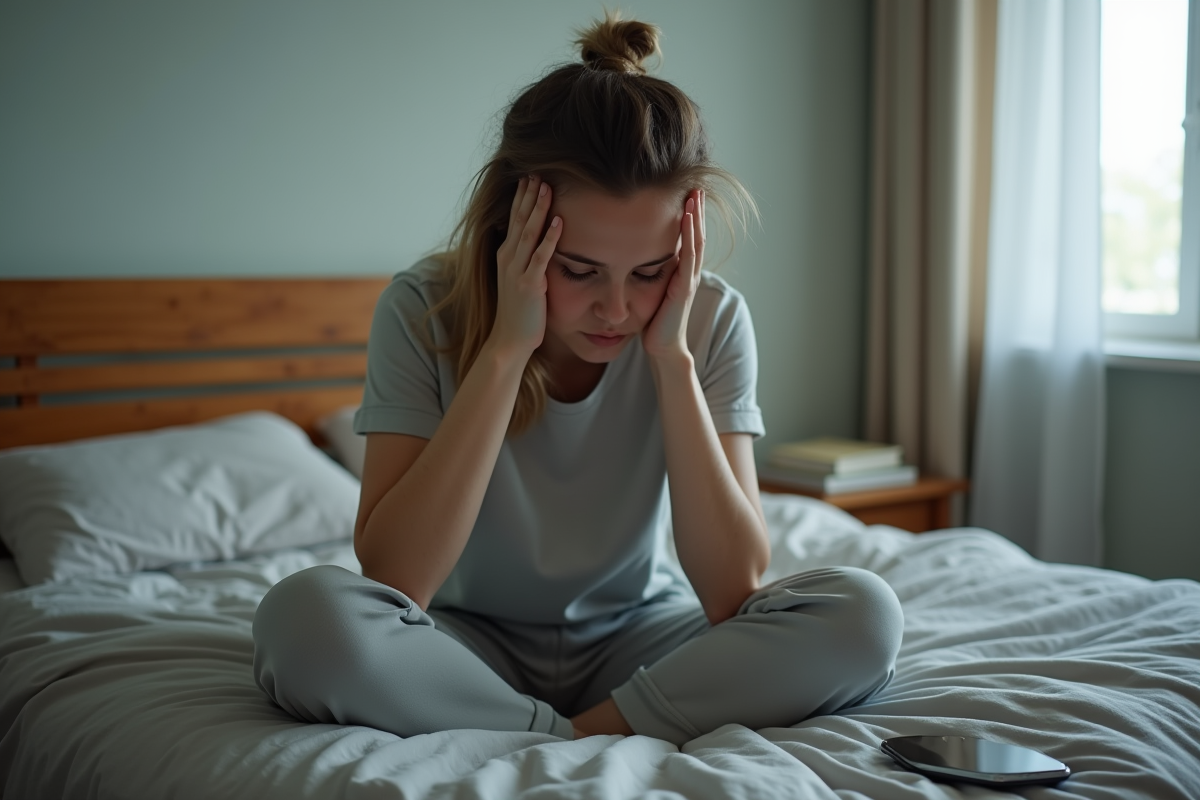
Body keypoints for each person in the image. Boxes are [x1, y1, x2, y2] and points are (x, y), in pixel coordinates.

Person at [253, 11, 903, 746]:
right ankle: (560, 733)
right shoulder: (423, 309)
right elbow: (397, 579)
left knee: (864, 613)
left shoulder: (710, 319)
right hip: (462, 647)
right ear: (514, 232)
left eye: (651, 273)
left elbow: (730, 593)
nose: (617, 309)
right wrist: (503, 351)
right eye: (579, 269)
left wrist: (672, 361)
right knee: (302, 616)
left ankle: (564, 734)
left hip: (641, 640)